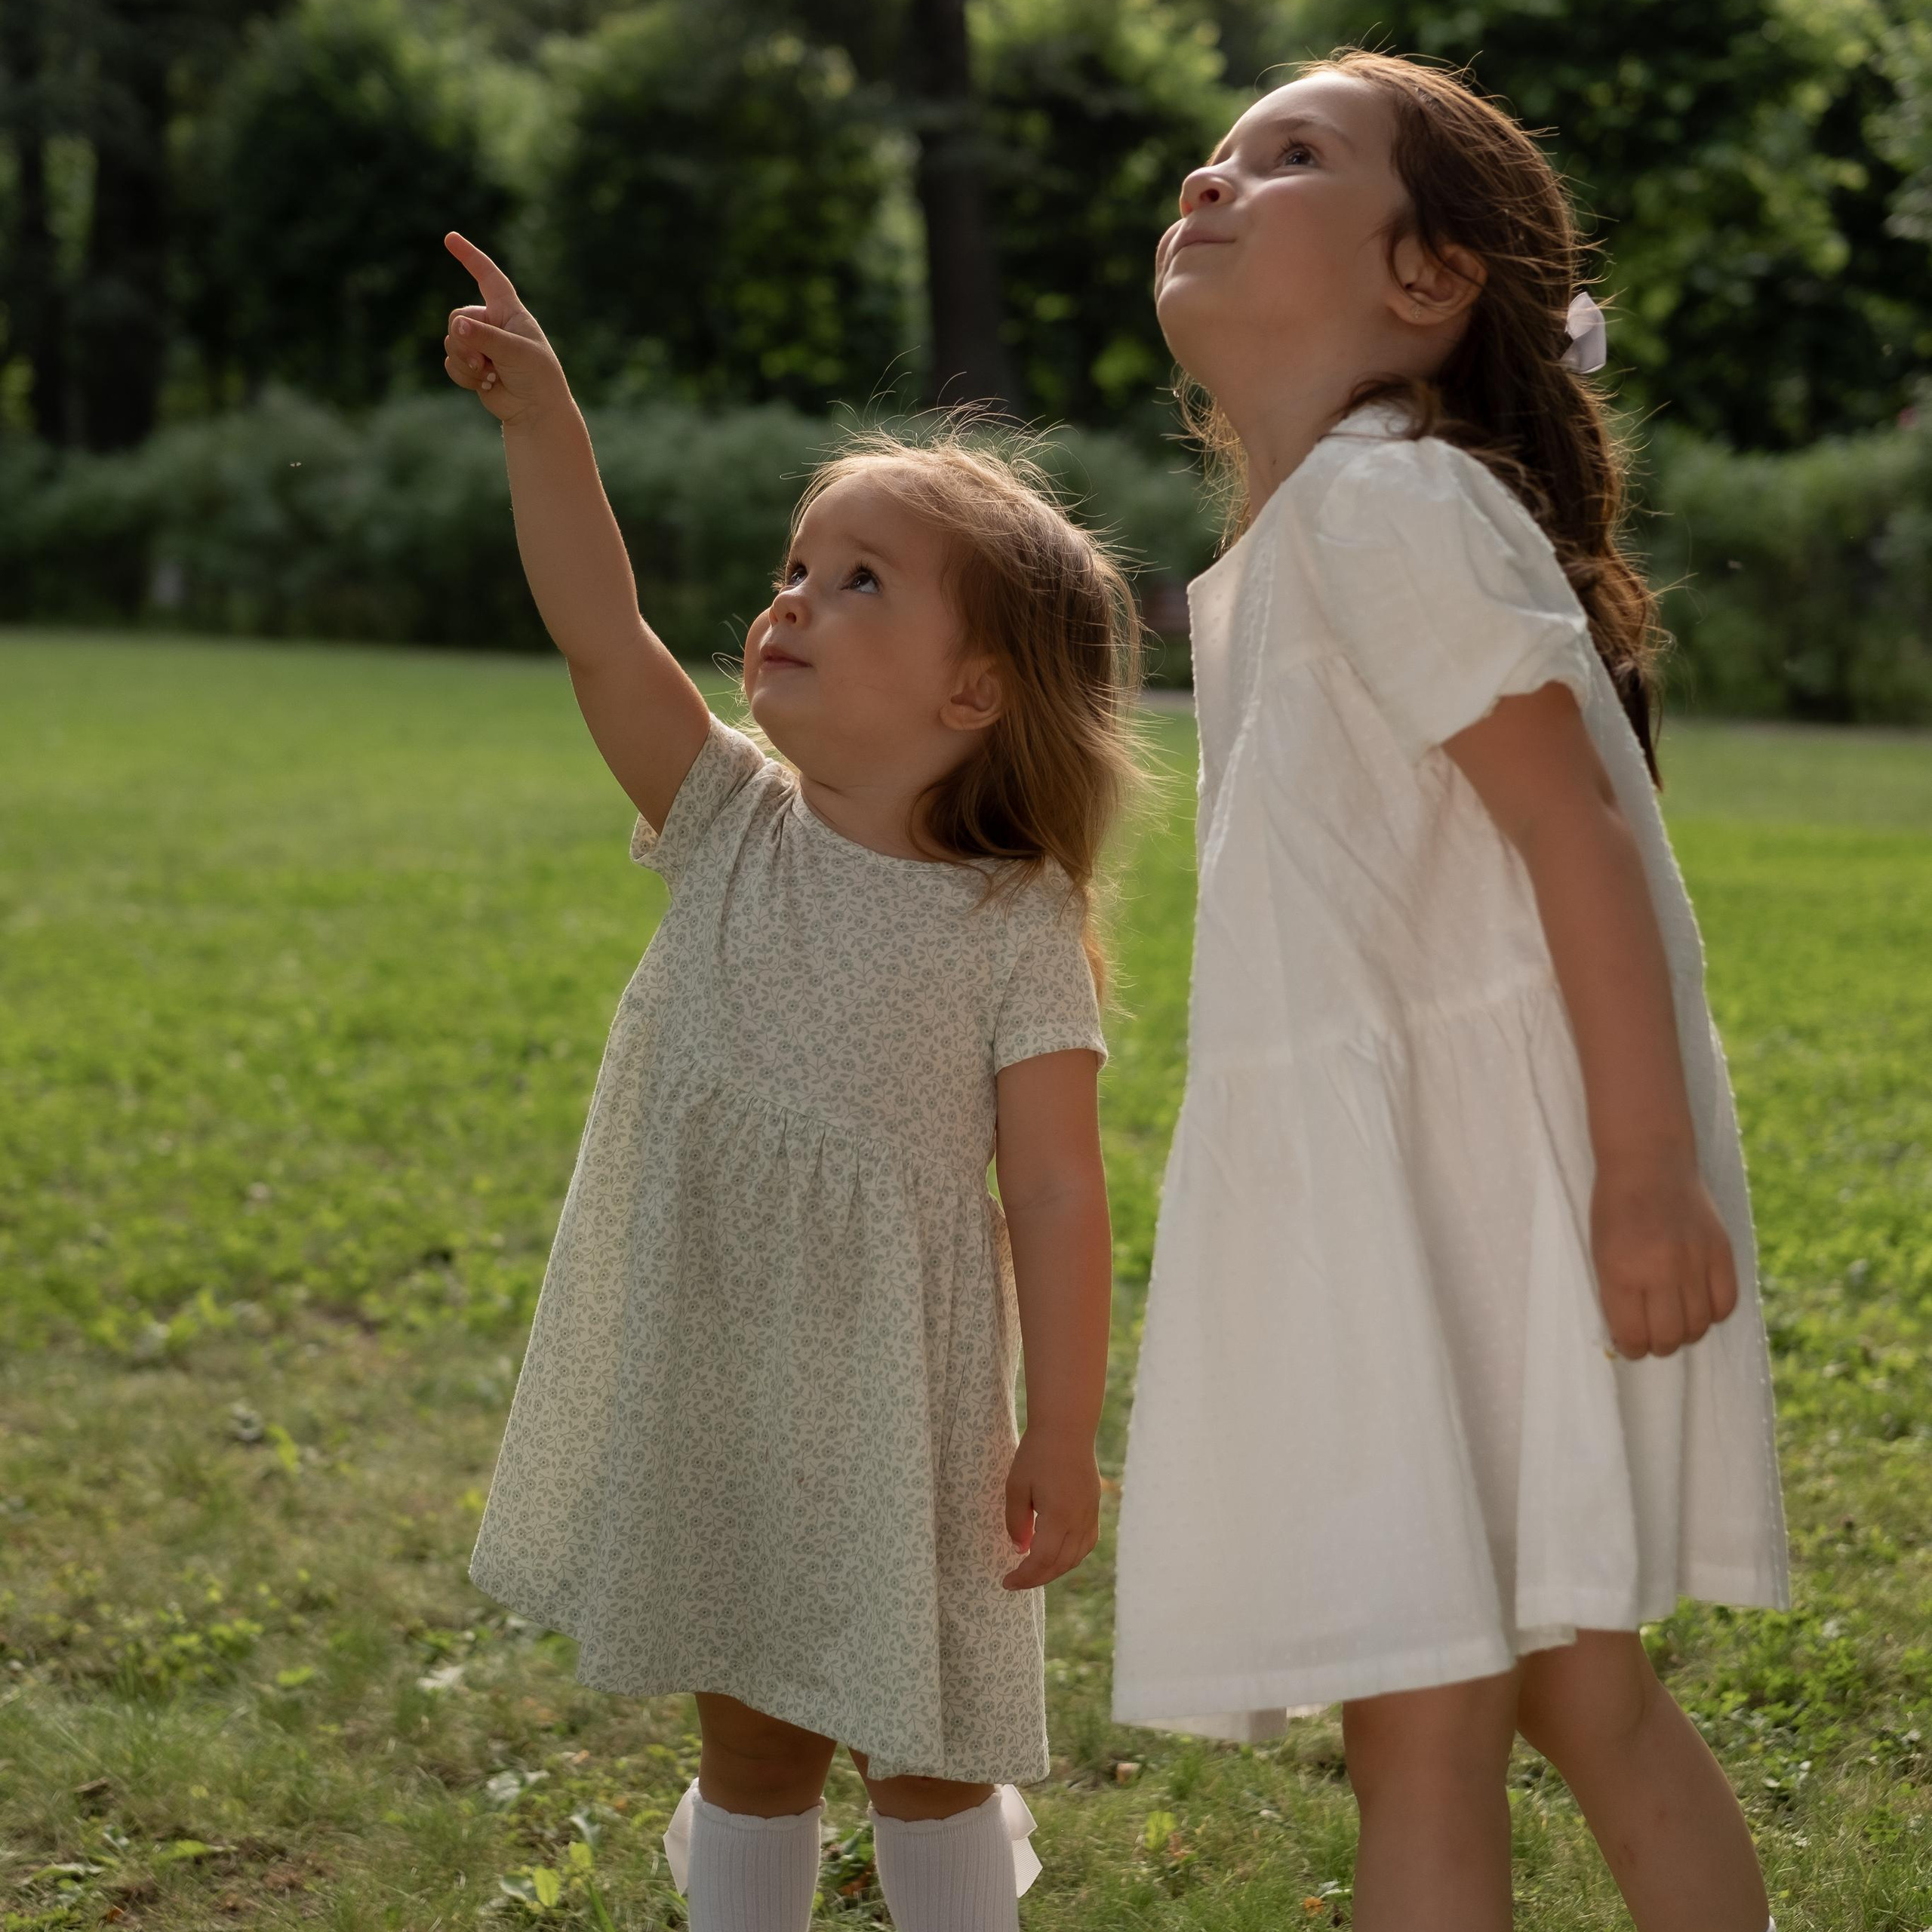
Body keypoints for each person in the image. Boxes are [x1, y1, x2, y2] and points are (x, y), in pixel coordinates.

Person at [1110, 51, 1789, 1932]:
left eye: (1291, 156)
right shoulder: (1314, 522)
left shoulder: (1377, 501)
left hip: (1484, 1196)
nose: (1209, 176)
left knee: (1431, 1723)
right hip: (1418, 1197)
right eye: (1218, 153)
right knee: (1572, 1688)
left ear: (1430, 279)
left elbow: (1574, 823)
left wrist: (1642, 1166)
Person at [438, 232, 1137, 1932]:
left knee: (922, 1745)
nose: (790, 599)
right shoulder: (724, 819)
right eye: (793, 567)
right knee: (749, 1731)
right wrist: (546, 422)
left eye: (859, 581)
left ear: (975, 691)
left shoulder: (1010, 916)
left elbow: (1052, 1187)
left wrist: (1056, 1422)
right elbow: (602, 631)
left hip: (903, 1397)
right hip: (717, 1358)